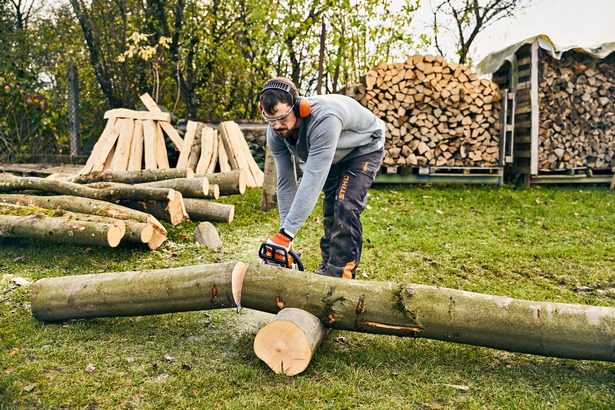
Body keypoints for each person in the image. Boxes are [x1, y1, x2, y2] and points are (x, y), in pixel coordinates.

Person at [259, 77, 385, 279]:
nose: (276, 126)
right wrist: (285, 234)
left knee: (345, 205)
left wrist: (287, 233)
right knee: (331, 209)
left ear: (300, 107)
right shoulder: (275, 132)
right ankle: (328, 266)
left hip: (363, 148)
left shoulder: (324, 119)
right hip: (334, 154)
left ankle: (340, 275)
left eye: (282, 118)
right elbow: (285, 182)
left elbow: (312, 178)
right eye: (270, 120)